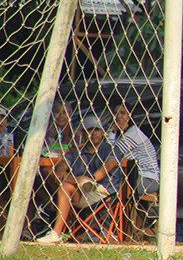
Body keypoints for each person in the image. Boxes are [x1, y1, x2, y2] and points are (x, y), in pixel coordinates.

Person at [36, 114, 121, 244]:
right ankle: (56, 233)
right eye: (89, 130)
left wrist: (90, 179)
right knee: (58, 180)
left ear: (103, 132)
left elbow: (107, 166)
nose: (93, 133)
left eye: (97, 130)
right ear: (82, 133)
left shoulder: (111, 149)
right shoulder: (77, 152)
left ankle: (57, 230)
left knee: (67, 185)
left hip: (103, 191)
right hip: (81, 191)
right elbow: (63, 163)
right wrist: (62, 171)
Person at [110, 102, 159, 197]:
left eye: (123, 113)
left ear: (130, 115)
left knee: (112, 188)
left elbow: (111, 152)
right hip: (132, 176)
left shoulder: (134, 133)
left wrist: (113, 130)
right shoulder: (122, 134)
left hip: (147, 179)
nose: (118, 116)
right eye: (116, 113)